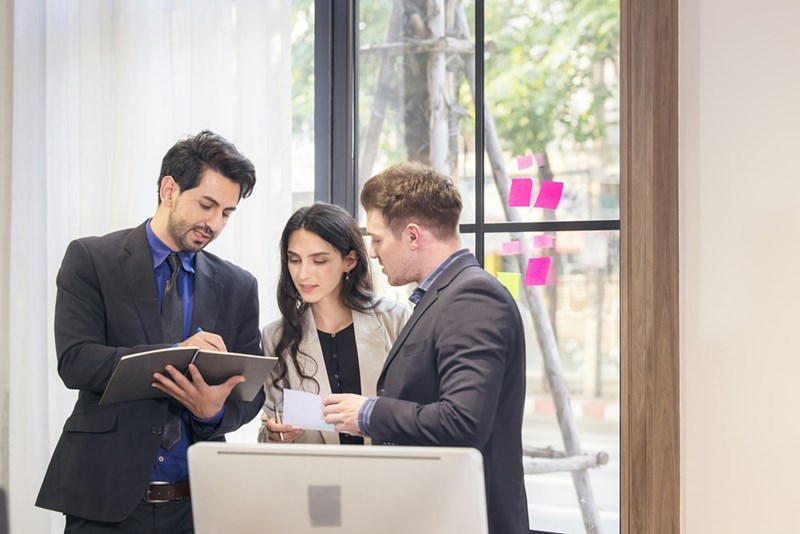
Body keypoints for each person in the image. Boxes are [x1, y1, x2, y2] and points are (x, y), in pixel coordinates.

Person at [36, 130, 266, 533]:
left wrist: (213, 413)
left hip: (198, 505)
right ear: (169, 189)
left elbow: (251, 392)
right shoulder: (92, 259)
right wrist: (177, 351)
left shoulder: (239, 285)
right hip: (105, 500)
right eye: (206, 205)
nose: (214, 223)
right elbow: (76, 361)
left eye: (226, 213)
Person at [322, 162, 529, 533]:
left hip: (464, 517)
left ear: (413, 236)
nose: (372, 252)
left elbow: (463, 422)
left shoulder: (472, 297)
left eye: (378, 238)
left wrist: (368, 413)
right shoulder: (443, 295)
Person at [259, 203, 411, 445]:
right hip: (315, 477)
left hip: (387, 475)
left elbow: (419, 413)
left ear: (349, 261)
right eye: (294, 260)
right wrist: (274, 434)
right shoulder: (276, 336)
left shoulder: (396, 319)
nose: (302, 274)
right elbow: (270, 423)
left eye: (319, 261)